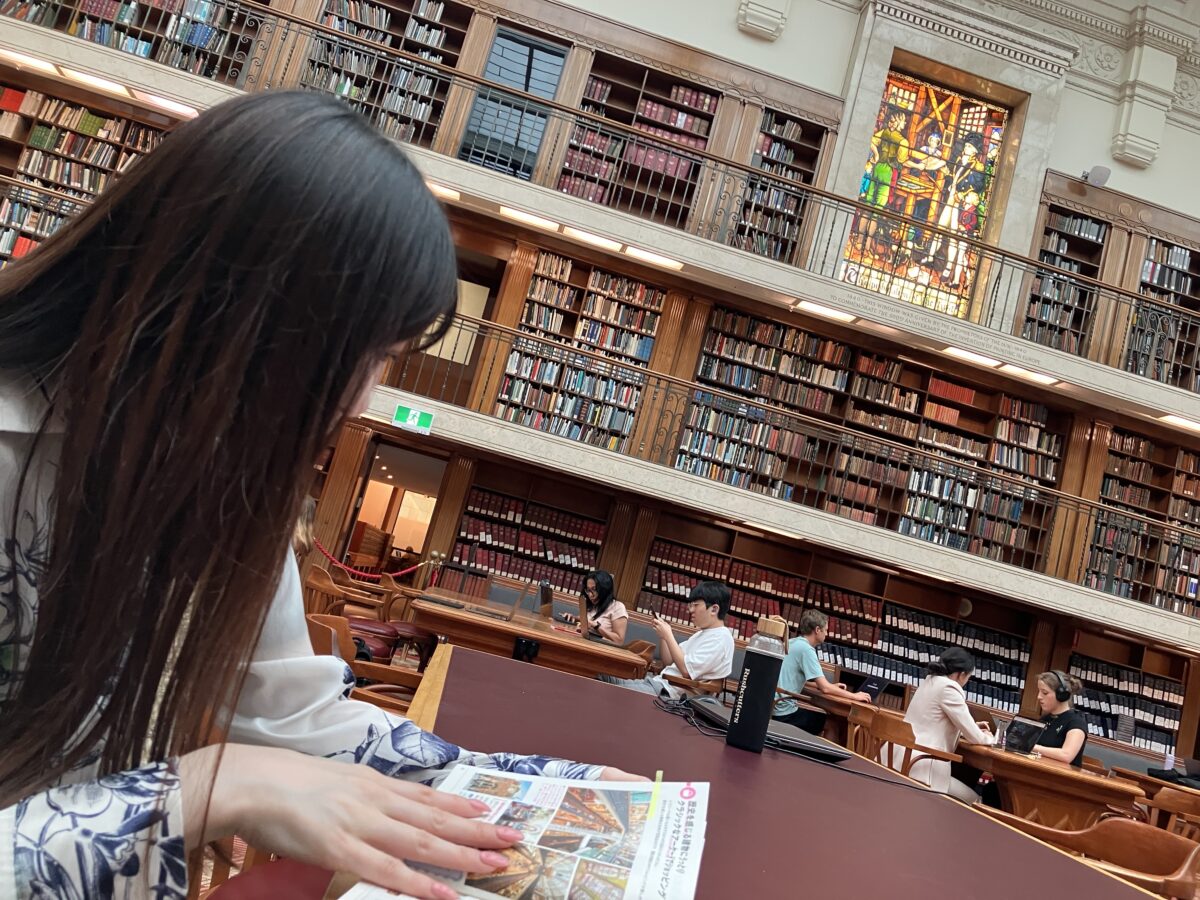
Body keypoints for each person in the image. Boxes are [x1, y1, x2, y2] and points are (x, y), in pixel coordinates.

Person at [0, 91, 640, 900]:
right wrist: (208, 790)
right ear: (258, 321)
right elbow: (256, 764)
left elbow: (296, 722)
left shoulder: (223, 487)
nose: (363, 401)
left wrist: (551, 792)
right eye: (370, 354)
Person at [600, 581, 734, 699]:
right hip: (658, 685)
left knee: (603, 684)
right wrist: (664, 637)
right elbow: (668, 661)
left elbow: (686, 671)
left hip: (668, 694)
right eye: (690, 605)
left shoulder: (721, 638)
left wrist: (669, 635)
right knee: (601, 678)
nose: (691, 610)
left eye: (695, 605)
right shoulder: (702, 634)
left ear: (714, 609)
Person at [902, 647, 995, 802]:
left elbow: (935, 719)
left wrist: (971, 726)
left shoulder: (929, 681)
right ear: (961, 674)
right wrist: (992, 739)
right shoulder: (950, 688)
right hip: (924, 769)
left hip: (903, 760)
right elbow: (975, 737)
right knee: (975, 800)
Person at [774, 610, 871, 732]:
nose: (827, 633)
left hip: (774, 706)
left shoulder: (793, 642)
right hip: (784, 713)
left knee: (827, 718)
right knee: (833, 724)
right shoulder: (807, 650)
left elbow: (792, 678)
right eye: (825, 630)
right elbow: (825, 688)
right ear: (817, 630)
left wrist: (829, 686)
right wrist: (855, 696)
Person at [1033, 670, 1088, 767]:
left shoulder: (1076, 722)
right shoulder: (1045, 719)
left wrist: (1033, 747)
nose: (1039, 697)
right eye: (1039, 691)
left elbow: (1066, 755)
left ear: (1061, 695)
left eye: (1045, 693)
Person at [564, 570, 628, 643]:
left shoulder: (617, 607)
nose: (590, 595)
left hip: (602, 650)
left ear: (605, 589)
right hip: (584, 643)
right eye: (588, 590)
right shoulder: (591, 604)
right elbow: (588, 621)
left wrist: (596, 626)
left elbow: (619, 640)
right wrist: (575, 618)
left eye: (594, 589)